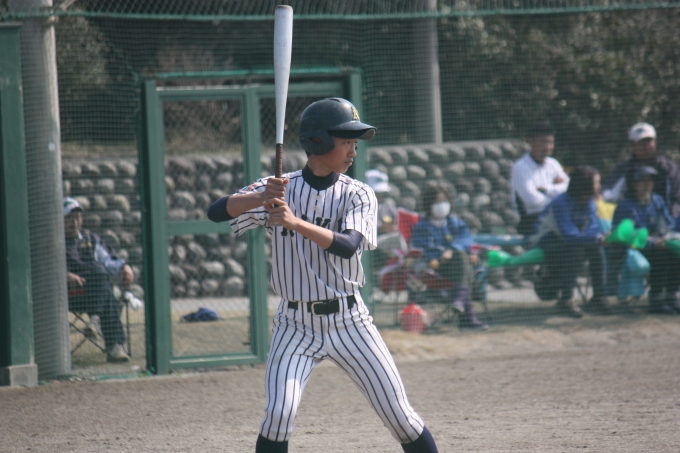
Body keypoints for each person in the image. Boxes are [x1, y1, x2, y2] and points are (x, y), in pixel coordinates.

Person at [207, 98, 439, 453]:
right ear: (318, 141)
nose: (353, 150)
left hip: (351, 321)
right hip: (294, 324)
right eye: (346, 141)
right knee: (278, 416)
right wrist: (260, 198)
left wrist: (293, 222)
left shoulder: (358, 194)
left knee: (401, 418)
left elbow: (348, 245)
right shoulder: (280, 188)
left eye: (354, 142)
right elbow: (216, 211)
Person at [529, 166, 609, 317]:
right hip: (548, 241)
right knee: (576, 250)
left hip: (571, 242)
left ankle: (599, 297)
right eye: (596, 183)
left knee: (596, 248)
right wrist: (597, 238)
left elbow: (592, 229)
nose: (599, 186)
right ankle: (566, 300)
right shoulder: (561, 203)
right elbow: (569, 235)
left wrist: (603, 237)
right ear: (584, 184)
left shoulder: (590, 203)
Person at [64, 197, 134, 362]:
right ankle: (114, 346)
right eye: (69, 218)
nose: (74, 223)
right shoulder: (54, 243)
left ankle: (96, 320)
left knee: (103, 280)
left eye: (77, 218)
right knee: (103, 280)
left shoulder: (91, 240)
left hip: (93, 294)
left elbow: (108, 261)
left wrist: (124, 267)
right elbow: (44, 268)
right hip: (68, 295)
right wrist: (64, 275)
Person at [410, 183, 488, 330]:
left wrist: (463, 252)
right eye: (437, 202)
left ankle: (460, 304)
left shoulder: (455, 222)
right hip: (438, 267)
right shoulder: (421, 227)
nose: (442, 205)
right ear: (428, 204)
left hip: (458, 266)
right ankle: (466, 316)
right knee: (464, 264)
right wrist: (445, 253)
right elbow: (424, 249)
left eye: (444, 201)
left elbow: (465, 239)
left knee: (463, 259)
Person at [611, 166, 680, 314]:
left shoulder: (657, 200)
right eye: (642, 181)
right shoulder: (625, 205)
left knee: (675, 251)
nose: (647, 184)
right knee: (661, 254)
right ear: (634, 184)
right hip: (634, 248)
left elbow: (668, 223)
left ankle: (672, 296)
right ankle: (656, 300)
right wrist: (652, 243)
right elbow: (625, 235)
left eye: (650, 180)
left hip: (659, 243)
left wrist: (669, 237)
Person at [602, 122, 680, 217]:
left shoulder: (668, 168)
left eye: (649, 141)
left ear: (655, 142)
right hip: (631, 221)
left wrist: (672, 219)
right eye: (641, 142)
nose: (646, 146)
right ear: (632, 146)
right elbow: (607, 193)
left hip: (665, 221)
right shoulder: (623, 169)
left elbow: (677, 198)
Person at [510, 121, 570, 236]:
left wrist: (546, 189)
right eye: (543, 142)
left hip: (556, 215)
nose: (547, 147)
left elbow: (570, 188)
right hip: (532, 221)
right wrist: (558, 194)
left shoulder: (553, 164)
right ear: (530, 142)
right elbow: (533, 201)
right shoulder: (520, 167)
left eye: (550, 142)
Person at [366, 169, 407, 270]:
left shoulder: (386, 206)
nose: (380, 196)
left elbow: (399, 219)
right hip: (371, 244)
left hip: (387, 244)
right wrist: (382, 228)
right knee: (397, 237)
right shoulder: (362, 208)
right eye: (377, 193)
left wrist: (394, 226)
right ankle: (407, 263)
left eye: (382, 193)